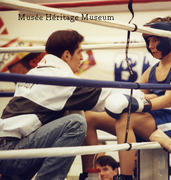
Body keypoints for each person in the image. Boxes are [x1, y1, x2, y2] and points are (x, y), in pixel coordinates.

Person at [0, 30, 114, 180]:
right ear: (66, 55)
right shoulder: (60, 79)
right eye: (79, 52)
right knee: (76, 123)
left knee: (75, 112)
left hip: (11, 150)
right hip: (12, 152)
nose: (82, 57)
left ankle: (89, 175)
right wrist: (145, 100)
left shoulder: (36, 73)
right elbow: (106, 98)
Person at [104, 16, 171, 180]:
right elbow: (133, 92)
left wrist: (140, 104)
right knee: (91, 118)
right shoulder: (153, 69)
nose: (151, 46)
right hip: (155, 116)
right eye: (149, 41)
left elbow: (168, 100)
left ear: (169, 39)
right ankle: (89, 174)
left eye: (155, 40)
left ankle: (125, 177)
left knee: (126, 119)